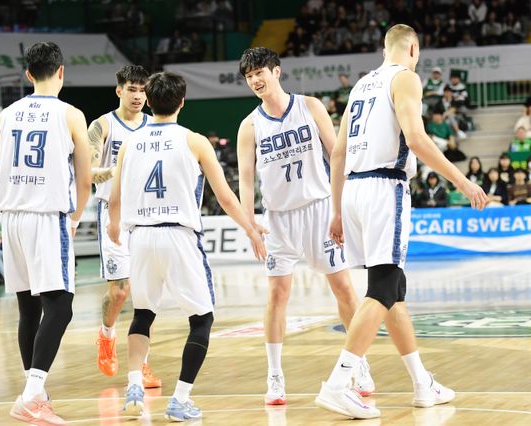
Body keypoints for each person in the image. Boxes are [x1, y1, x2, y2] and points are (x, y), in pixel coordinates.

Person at [314, 24, 487, 419]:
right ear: (413, 49)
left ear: (384, 49)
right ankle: (338, 384)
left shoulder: (360, 86)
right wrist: (463, 181)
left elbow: (337, 153)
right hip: (384, 187)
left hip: (353, 190)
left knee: (394, 290)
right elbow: (418, 139)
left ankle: (422, 383)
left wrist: (337, 210)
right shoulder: (406, 77)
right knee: (383, 288)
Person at [107, 71, 267, 421]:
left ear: (149, 102)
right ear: (182, 102)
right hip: (178, 236)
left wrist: (114, 227)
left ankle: (134, 385)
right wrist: (251, 229)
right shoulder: (194, 141)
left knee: (142, 315)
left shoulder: (130, 143)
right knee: (202, 319)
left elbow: (114, 199)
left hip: (140, 237)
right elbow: (225, 197)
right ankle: (179, 399)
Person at [0, 42, 91, 425]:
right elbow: (85, 179)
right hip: (47, 217)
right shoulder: (71, 114)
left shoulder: (6, 114)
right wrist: (75, 217)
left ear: (28, 74)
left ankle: (36, 395)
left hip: (11, 218)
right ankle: (30, 394)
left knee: (29, 308)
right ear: (61, 72)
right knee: (61, 306)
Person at [236, 47, 374, 406]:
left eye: (259, 72)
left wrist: (343, 206)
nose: (255, 80)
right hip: (278, 219)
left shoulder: (310, 106)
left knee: (343, 289)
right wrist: (250, 223)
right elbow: (246, 180)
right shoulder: (249, 126)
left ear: (276, 71)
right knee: (277, 295)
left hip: (319, 209)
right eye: (249, 76)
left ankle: (359, 363)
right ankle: (275, 375)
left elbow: (337, 155)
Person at [87, 65, 161, 388]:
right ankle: (106, 334)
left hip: (146, 213)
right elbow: (89, 169)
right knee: (120, 291)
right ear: (119, 90)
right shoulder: (102, 125)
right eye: (132, 89)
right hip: (112, 211)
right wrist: (118, 170)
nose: (138, 96)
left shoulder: (155, 125)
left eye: (143, 90)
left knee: (146, 293)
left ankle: (141, 363)